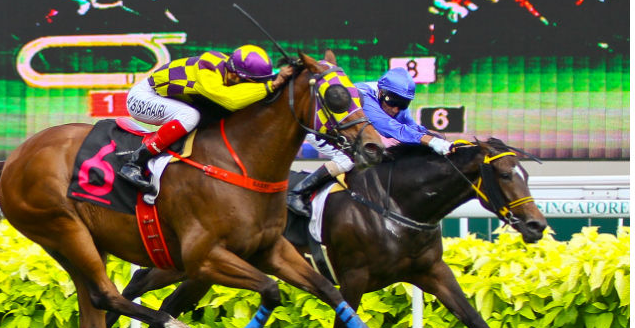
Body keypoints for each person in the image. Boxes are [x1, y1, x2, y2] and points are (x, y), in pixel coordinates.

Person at [117, 45, 295, 192]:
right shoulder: (208, 70)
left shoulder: (231, 72)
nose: (256, 87)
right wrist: (271, 85)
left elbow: (250, 90)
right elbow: (231, 100)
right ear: (236, 75)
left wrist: (281, 77)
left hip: (169, 98)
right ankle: (135, 163)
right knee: (190, 116)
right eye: (252, 83)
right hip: (143, 98)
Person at [286, 66, 452, 216]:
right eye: (393, 102)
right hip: (321, 128)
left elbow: (411, 127)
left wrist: (435, 138)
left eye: (403, 104)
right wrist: (431, 142)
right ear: (381, 93)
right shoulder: (363, 96)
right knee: (348, 159)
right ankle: (297, 192)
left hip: (345, 130)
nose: (396, 109)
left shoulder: (393, 97)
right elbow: (391, 128)